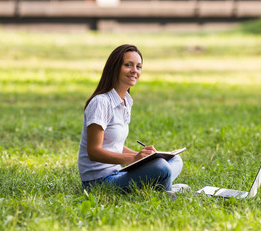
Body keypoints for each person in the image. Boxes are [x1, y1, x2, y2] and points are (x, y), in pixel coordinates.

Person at [78, 44, 184, 193]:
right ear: (115, 68)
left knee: (174, 160)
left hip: (118, 173)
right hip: (99, 182)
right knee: (160, 167)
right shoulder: (100, 102)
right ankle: (166, 191)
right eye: (128, 65)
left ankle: (162, 186)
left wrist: (144, 157)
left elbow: (113, 144)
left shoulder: (125, 101)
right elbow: (93, 151)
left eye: (138, 66)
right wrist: (133, 160)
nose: (134, 71)